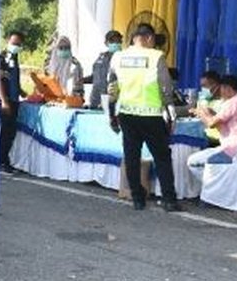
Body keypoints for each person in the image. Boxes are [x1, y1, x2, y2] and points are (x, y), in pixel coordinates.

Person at [108, 23, 183, 212]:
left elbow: (111, 86)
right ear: (149, 38)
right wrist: (171, 112)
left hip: (126, 113)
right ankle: (169, 199)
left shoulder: (119, 56)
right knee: (162, 157)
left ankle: (137, 198)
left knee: (132, 156)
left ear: (133, 38)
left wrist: (111, 112)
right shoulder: (156, 55)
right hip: (151, 114)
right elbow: (165, 86)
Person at [187, 75, 237, 182]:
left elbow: (211, 124)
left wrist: (201, 113)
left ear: (228, 89)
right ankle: (217, 187)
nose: (220, 92)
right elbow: (223, 119)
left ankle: (213, 188)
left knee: (193, 162)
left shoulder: (232, 103)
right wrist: (209, 112)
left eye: (221, 88)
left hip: (231, 151)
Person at [0, 28, 25, 172]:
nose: (16, 46)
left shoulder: (14, 58)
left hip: (14, 99)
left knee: (10, 132)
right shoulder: (2, 58)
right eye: (14, 43)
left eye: (19, 44)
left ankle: (4, 159)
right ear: (8, 41)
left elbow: (14, 79)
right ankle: (1, 161)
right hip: (5, 100)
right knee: (6, 132)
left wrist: (22, 92)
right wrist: (4, 101)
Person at [86, 30, 123, 109]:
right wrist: (81, 80)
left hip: (112, 101)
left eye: (118, 41)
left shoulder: (124, 58)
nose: (116, 43)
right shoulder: (101, 58)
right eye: (112, 41)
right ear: (106, 43)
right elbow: (94, 77)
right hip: (96, 99)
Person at [196, 71, 224, 145]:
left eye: (205, 86)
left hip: (217, 140)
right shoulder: (204, 100)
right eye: (201, 86)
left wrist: (210, 113)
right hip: (202, 136)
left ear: (216, 85)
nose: (203, 89)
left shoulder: (225, 102)